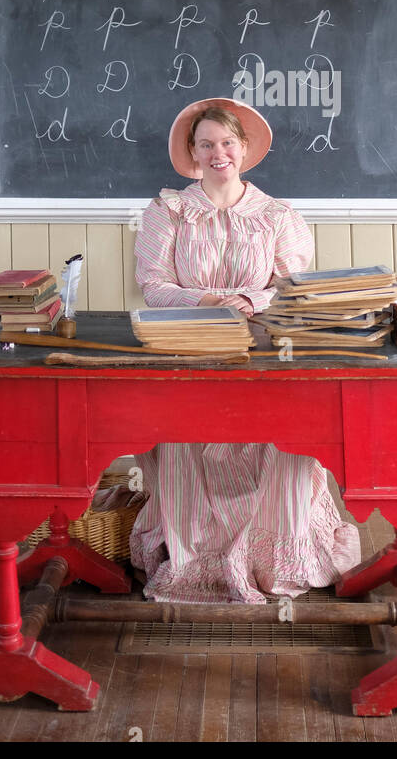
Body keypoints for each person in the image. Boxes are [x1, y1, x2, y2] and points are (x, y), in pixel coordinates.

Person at [124, 96, 361, 604]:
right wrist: (212, 300)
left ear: (244, 148)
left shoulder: (276, 215)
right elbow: (153, 284)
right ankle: (196, 553)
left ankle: (272, 553)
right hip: (188, 351)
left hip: (264, 351)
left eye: (226, 142)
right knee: (188, 435)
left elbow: (292, 285)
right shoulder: (168, 211)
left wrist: (248, 301)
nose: (217, 153)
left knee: (283, 437)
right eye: (206, 144)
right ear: (192, 152)